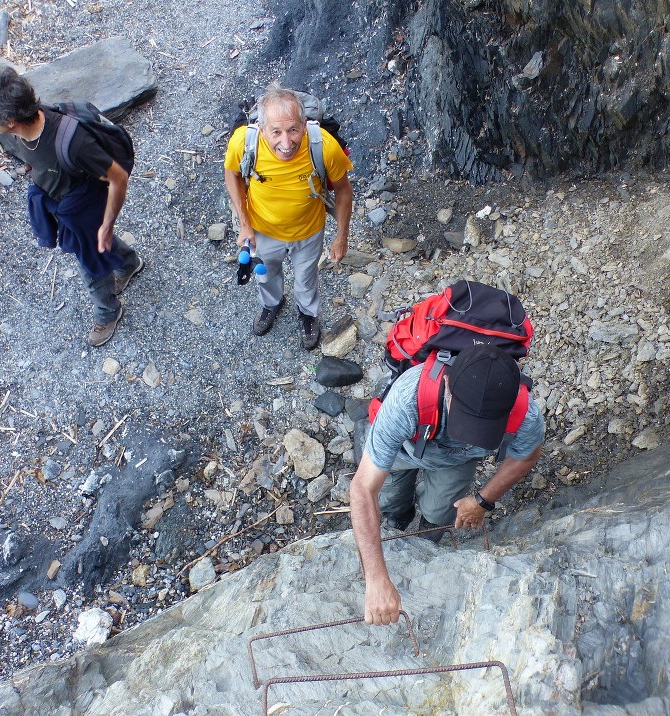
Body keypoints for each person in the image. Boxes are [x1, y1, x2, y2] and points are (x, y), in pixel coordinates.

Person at [350, 347, 545, 626]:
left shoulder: (524, 414)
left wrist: (482, 501)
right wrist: (376, 578)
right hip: (402, 453)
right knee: (388, 501)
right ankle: (396, 521)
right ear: (446, 384)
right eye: (465, 418)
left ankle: (425, 543)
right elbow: (363, 488)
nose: (471, 430)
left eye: (484, 426)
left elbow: (527, 454)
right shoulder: (407, 398)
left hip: (455, 463)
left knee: (439, 513)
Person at [0, 64, 144, 347]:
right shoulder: (10, 131)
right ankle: (130, 263)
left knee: (90, 259)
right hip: (59, 193)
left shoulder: (74, 143)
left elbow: (119, 179)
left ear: (9, 118)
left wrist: (107, 226)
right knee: (96, 243)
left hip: (82, 203)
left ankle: (108, 309)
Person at [223, 83, 353, 350]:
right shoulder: (243, 143)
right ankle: (272, 304)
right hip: (262, 230)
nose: (286, 142)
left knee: (306, 278)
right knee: (265, 275)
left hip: (309, 232)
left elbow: (343, 190)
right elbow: (232, 174)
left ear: (304, 125)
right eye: (277, 132)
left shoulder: (324, 146)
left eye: (293, 130)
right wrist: (244, 225)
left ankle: (307, 314)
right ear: (261, 128)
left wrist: (341, 237)